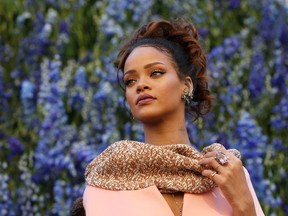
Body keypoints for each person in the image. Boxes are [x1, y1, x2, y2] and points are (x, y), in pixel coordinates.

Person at [80, 18, 265, 216]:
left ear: (187, 85)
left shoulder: (228, 175)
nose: (140, 85)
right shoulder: (105, 184)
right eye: (130, 81)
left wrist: (245, 206)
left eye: (156, 73)